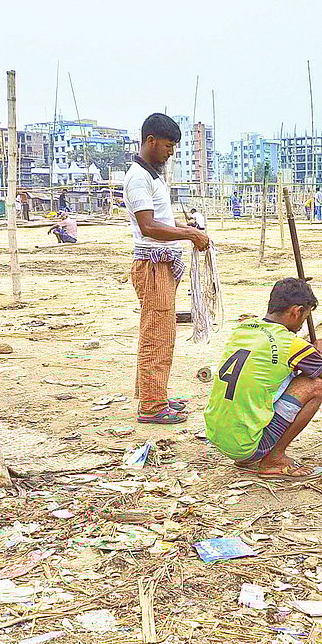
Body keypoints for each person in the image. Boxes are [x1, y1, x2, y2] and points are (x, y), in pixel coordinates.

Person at [204, 278, 322, 480]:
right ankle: (274, 460)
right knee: (315, 384)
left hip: (218, 437)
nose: (302, 324)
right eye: (304, 317)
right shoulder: (292, 345)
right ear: (296, 311)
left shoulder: (244, 328)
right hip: (246, 447)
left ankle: (250, 452)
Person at [125, 113, 210, 425]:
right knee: (157, 335)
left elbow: (159, 220)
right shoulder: (138, 178)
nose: (170, 152)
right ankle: (151, 405)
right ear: (151, 141)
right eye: (168, 146)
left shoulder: (151, 177)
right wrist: (189, 234)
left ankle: (153, 394)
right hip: (153, 266)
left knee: (160, 332)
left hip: (160, 265)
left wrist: (183, 227)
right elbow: (148, 226)